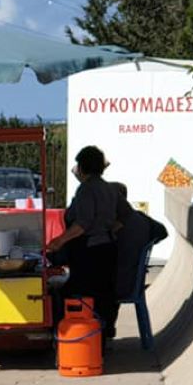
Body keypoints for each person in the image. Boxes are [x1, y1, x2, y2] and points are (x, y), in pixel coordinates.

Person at [46, 146, 127, 340]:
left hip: (90, 251)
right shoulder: (110, 188)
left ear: (82, 167)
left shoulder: (86, 190)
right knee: (103, 295)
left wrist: (59, 240)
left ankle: (73, 337)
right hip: (108, 248)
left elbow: (83, 223)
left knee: (70, 293)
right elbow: (121, 219)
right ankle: (102, 335)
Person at [110, 182, 168, 299]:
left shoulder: (107, 224)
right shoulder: (140, 218)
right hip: (132, 283)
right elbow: (162, 232)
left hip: (115, 287)